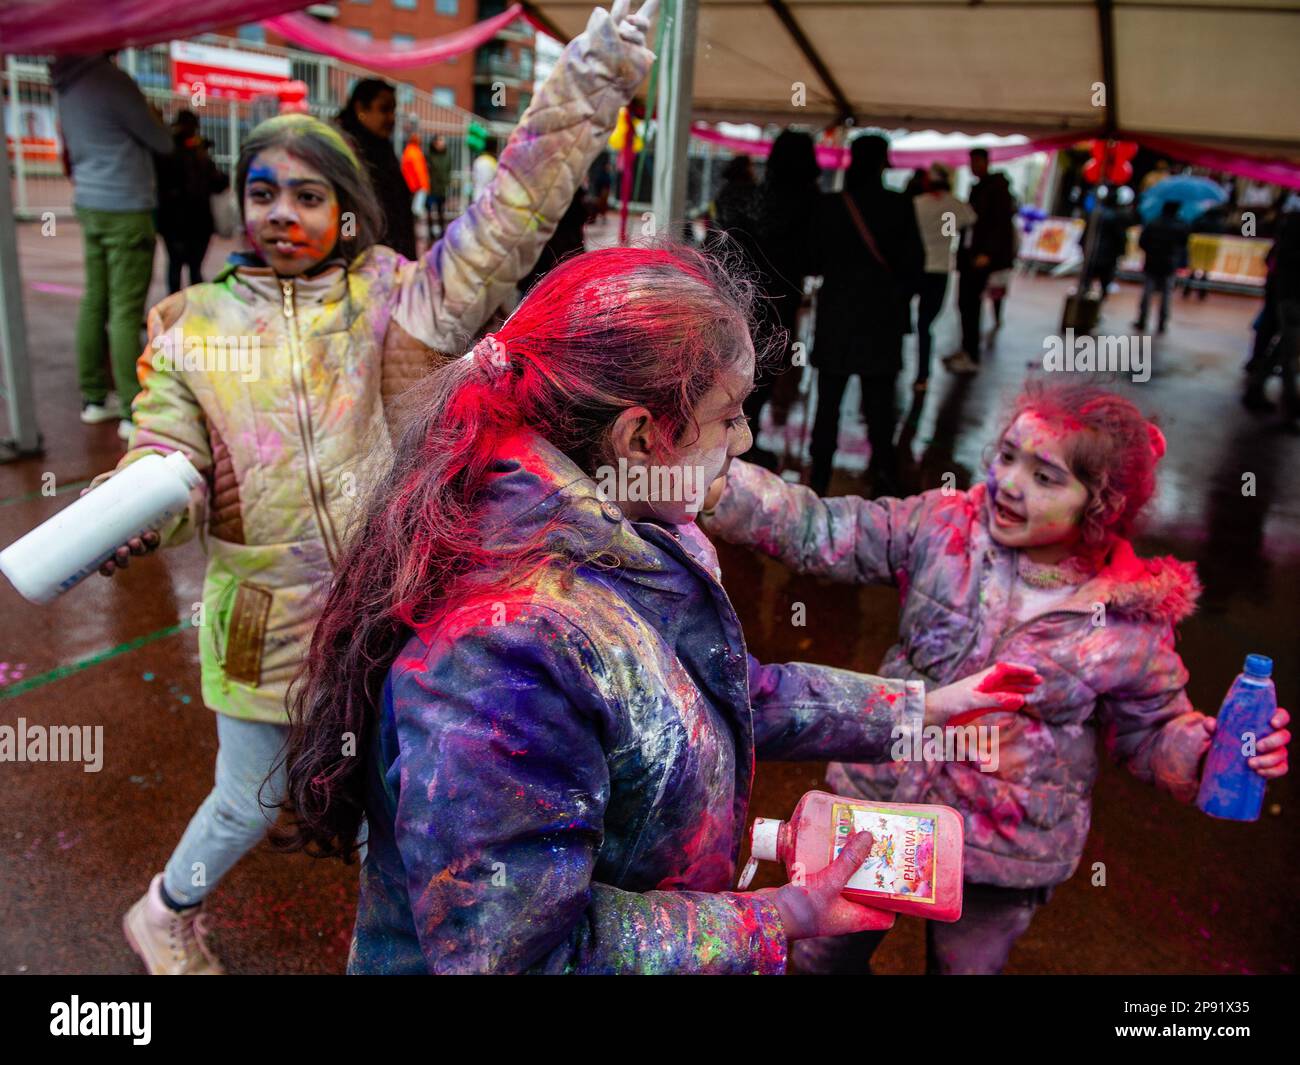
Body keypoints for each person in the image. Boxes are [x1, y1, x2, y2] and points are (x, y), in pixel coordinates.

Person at [84, 0, 661, 975]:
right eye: (262, 191)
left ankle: (383, 954)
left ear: (347, 207)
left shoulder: (396, 302)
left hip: (381, 609)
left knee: (393, 798)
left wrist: (591, 80)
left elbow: (505, 220)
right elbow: (166, 452)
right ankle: (163, 912)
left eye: (308, 196)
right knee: (249, 797)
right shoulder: (189, 324)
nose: (281, 213)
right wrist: (141, 506)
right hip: (258, 623)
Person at [279, 242, 1038, 974]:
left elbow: (730, 690)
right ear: (640, 436)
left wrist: (922, 711)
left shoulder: (634, 524)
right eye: (731, 413)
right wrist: (776, 919)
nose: (743, 440)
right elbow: (518, 955)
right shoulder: (501, 653)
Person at [703, 380, 1291, 974]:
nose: (1009, 483)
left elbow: (1153, 731)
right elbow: (822, 529)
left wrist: (1199, 751)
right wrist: (715, 484)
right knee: (819, 961)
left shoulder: (1127, 620)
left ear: (1101, 505)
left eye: (1046, 476)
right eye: (1008, 456)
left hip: (999, 853)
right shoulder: (945, 528)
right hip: (878, 813)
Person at [50, 53, 173, 440]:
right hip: (126, 204)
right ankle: (130, 408)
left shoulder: (65, 85)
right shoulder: (114, 82)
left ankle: (93, 397)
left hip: (90, 202)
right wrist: (154, 115)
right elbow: (162, 142)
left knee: (95, 300)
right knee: (125, 310)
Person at [808, 134, 923, 498]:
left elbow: (812, 261)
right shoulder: (899, 205)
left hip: (836, 317)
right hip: (881, 319)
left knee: (827, 405)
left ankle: (819, 479)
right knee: (880, 408)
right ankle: (885, 481)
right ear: (883, 164)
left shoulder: (828, 205)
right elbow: (914, 266)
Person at [740, 131, 822, 470]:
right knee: (767, 368)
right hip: (780, 299)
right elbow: (814, 256)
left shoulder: (756, 195)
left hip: (743, 295)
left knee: (742, 365)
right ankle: (747, 437)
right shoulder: (809, 201)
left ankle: (739, 438)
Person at [947, 148, 1016, 374]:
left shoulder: (995, 190)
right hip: (972, 255)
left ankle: (971, 354)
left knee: (970, 304)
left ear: (985, 162)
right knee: (965, 304)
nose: (973, 166)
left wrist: (987, 252)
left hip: (981, 258)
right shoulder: (981, 188)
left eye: (976, 161)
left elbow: (998, 225)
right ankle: (967, 349)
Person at [911, 162, 976, 391]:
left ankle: (900, 368)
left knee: (906, 321)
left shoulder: (918, 204)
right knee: (925, 324)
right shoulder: (956, 205)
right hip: (939, 269)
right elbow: (970, 220)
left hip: (916, 267)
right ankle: (922, 376)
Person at [337, 78, 416, 259]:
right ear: (360, 109)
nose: (391, 118)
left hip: (388, 258)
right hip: (364, 262)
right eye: (384, 109)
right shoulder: (345, 150)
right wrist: (349, 252)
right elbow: (346, 208)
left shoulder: (380, 148)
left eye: (393, 110)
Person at [155, 110, 229, 295]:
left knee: (177, 266)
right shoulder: (194, 155)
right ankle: (192, 310)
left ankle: (178, 308)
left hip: (176, 220)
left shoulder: (168, 152)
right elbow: (219, 183)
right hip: (193, 220)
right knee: (191, 269)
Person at [1243, 206, 1300, 431]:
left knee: (1284, 350)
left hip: (1284, 295)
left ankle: (1256, 387)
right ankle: (1291, 410)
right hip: (1292, 297)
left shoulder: (1288, 226)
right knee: (1290, 355)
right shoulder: (1293, 229)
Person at [1135, 200, 1189, 333]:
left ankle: (1142, 319)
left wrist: (1150, 250)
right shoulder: (1181, 225)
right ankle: (1162, 323)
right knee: (1166, 294)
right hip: (1170, 263)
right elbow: (1184, 245)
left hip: (1152, 261)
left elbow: (1142, 242)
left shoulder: (1153, 223)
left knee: (1147, 292)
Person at [1079, 184, 1134, 307]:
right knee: (1104, 283)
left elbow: (1086, 234)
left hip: (1092, 253)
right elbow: (1120, 237)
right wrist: (1121, 252)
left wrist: (1082, 245)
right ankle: (1096, 308)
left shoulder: (1095, 213)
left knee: (1087, 281)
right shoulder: (1116, 217)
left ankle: (1084, 305)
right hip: (1108, 256)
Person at [399, 130, 430, 244]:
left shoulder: (411, 151)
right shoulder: (414, 152)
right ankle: (420, 231)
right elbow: (418, 171)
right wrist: (420, 185)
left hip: (414, 186)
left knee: (416, 209)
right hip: (417, 186)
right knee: (417, 210)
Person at [426, 134, 451, 238]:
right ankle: (431, 231)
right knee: (430, 210)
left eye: (443, 140)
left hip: (442, 188)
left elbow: (448, 169)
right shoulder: (429, 155)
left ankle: (442, 231)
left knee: (441, 211)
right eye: (440, 140)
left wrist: (446, 182)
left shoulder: (447, 155)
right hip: (431, 188)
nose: (442, 143)